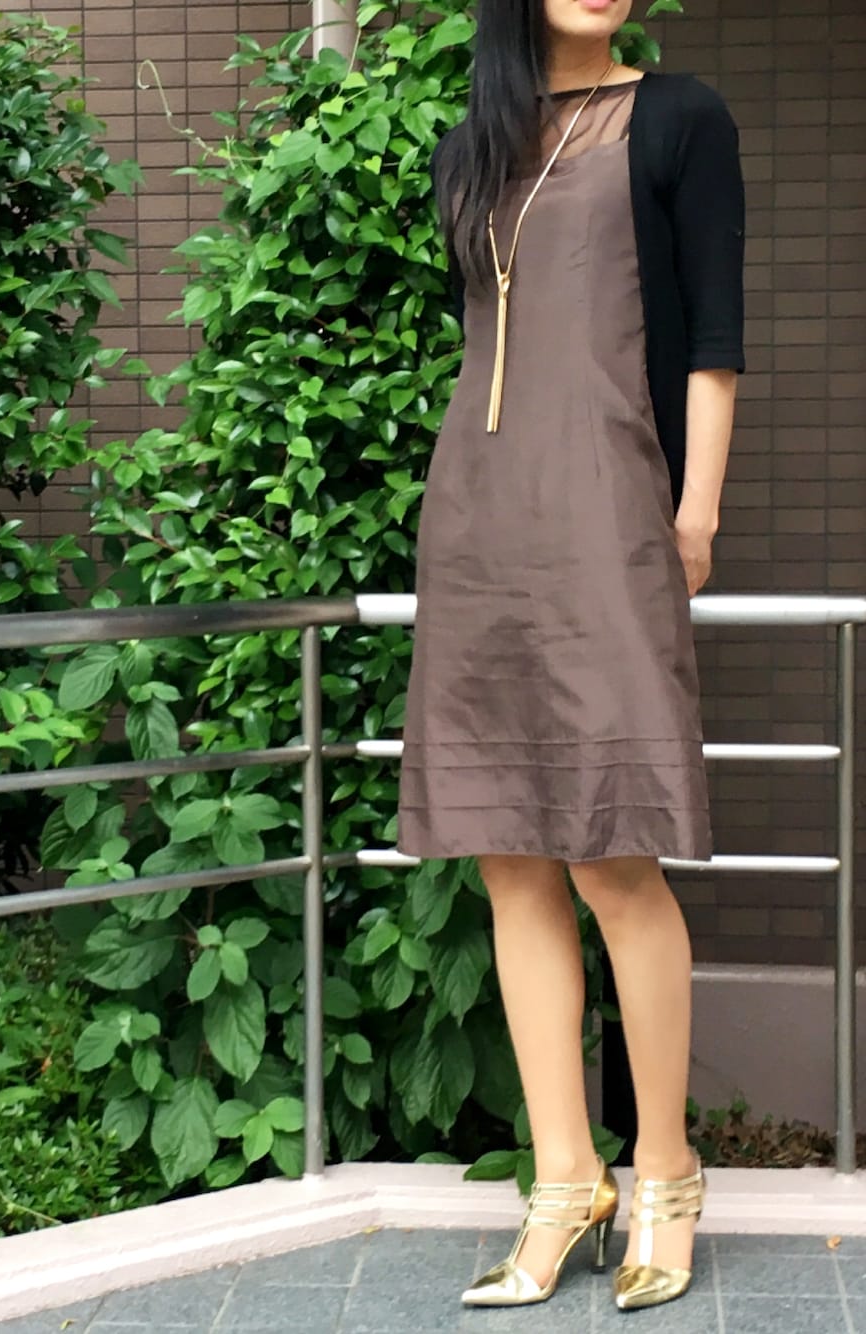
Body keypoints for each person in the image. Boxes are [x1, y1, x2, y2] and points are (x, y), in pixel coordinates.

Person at [395, 0, 745, 1314]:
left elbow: (714, 337)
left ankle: (666, 1169)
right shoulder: (473, 145)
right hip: (478, 519)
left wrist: (695, 514)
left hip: (610, 512)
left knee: (612, 854)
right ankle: (563, 1177)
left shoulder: (679, 118)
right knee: (509, 854)